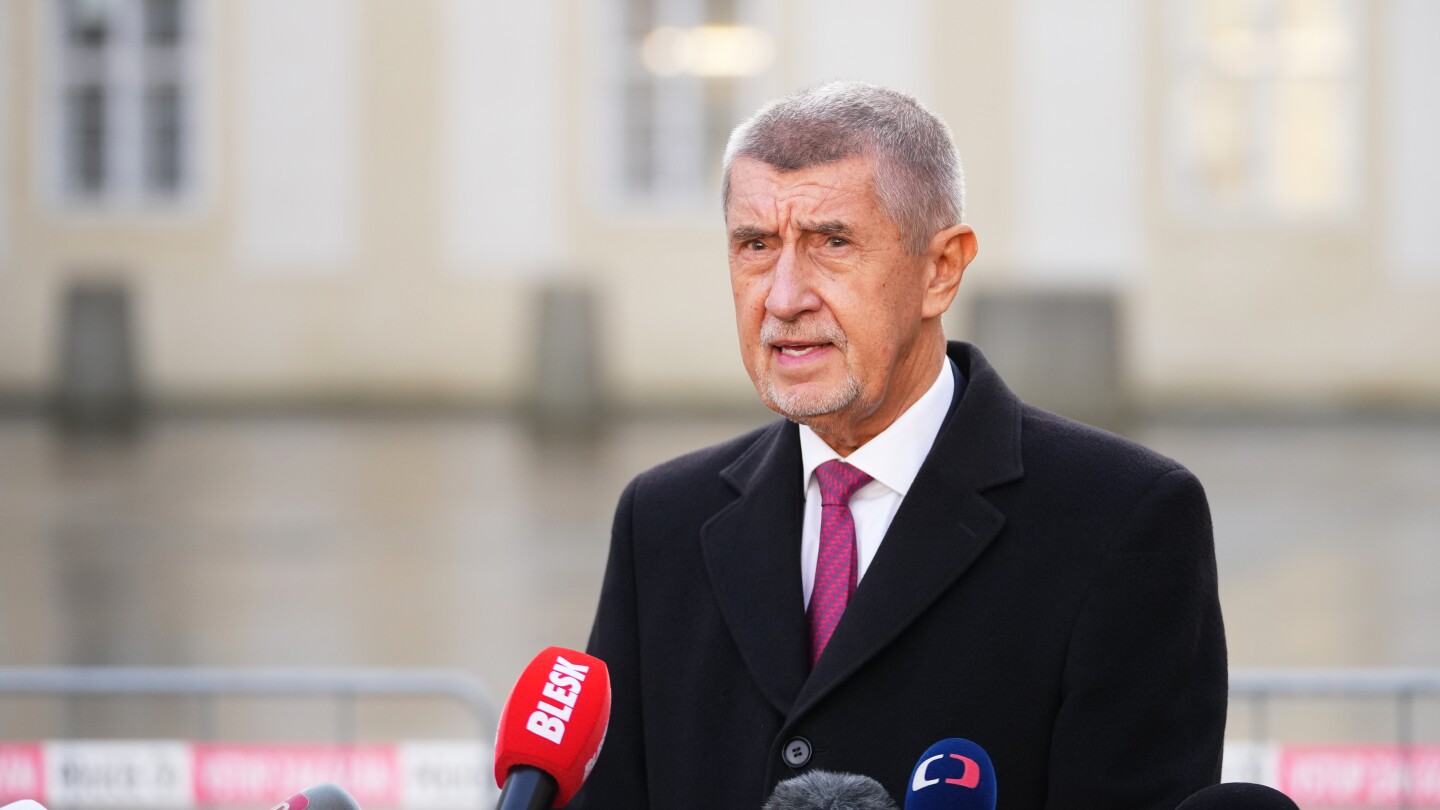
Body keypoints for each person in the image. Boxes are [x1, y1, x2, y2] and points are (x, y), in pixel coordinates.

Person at [572, 81, 1227, 810]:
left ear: (941, 270)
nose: (783, 297)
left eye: (833, 243)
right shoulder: (662, 519)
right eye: (756, 245)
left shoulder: (1123, 519)